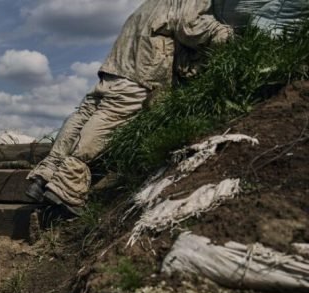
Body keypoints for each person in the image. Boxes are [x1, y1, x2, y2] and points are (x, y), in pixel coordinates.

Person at [26, 0, 233, 213]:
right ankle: (66, 187)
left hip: (115, 68)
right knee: (106, 122)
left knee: (82, 116)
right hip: (140, 74)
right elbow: (190, 25)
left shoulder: (150, 4)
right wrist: (226, 34)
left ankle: (45, 174)